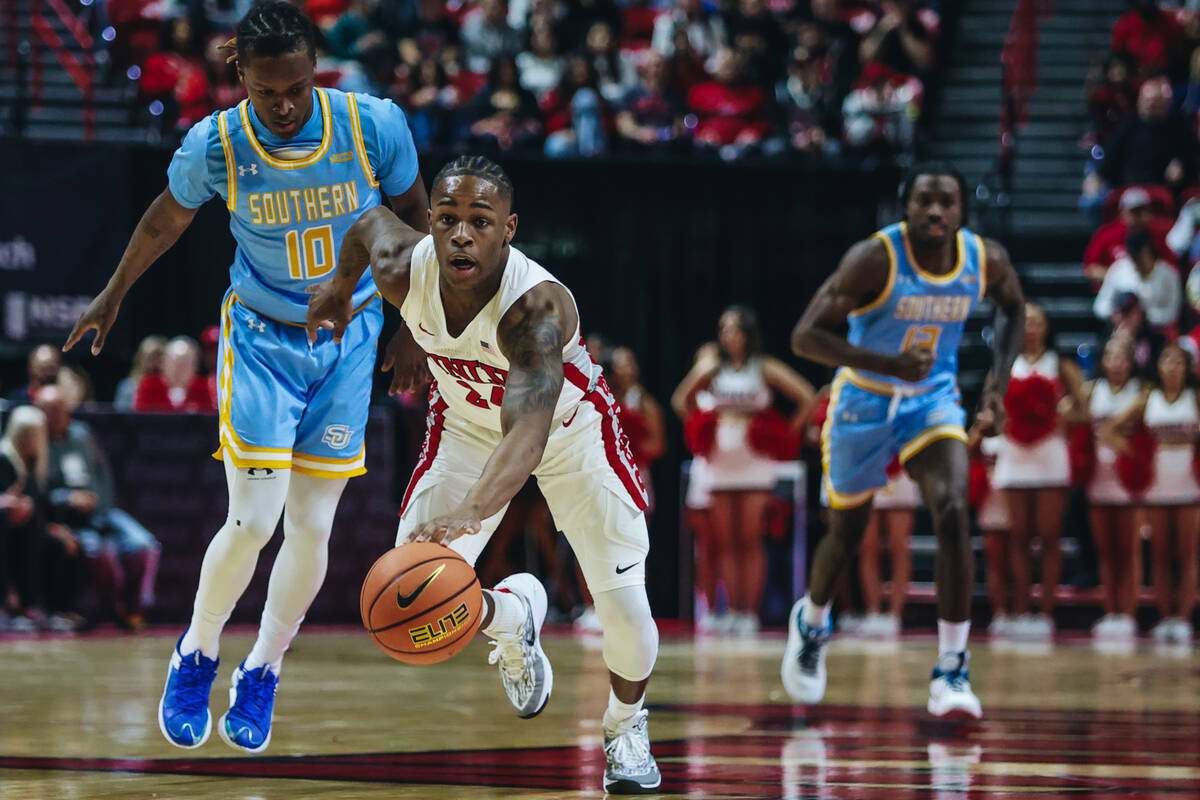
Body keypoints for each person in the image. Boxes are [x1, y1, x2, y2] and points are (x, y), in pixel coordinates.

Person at [62, 1, 430, 753]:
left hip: (351, 336)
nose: (287, 105)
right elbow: (167, 216)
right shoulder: (218, 143)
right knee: (254, 520)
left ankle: (262, 670)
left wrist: (413, 326)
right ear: (240, 78)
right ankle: (195, 653)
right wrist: (113, 292)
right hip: (261, 338)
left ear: (314, 69)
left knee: (313, 525)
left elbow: (416, 219)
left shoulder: (371, 126)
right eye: (269, 92)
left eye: (298, 86)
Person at [306, 156, 662, 794]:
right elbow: (365, 223)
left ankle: (625, 724)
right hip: (467, 425)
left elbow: (527, 433)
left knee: (626, 610)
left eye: (480, 221)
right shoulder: (399, 268)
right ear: (433, 226)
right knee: (411, 591)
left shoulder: (535, 308)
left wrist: (472, 509)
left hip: (568, 431)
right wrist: (339, 289)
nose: (461, 234)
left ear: (510, 228)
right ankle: (512, 617)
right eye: (447, 220)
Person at [781, 161, 1025, 720]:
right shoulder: (876, 258)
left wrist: (997, 387)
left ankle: (952, 667)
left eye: (947, 202)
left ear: (962, 211)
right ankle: (812, 621)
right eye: (924, 201)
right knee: (847, 534)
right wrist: (886, 362)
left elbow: (1013, 307)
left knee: (953, 509)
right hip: (863, 399)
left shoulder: (984, 259)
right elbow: (805, 336)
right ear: (905, 208)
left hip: (931, 400)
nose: (936, 211)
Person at [672, 306, 814, 635]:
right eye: (723, 328)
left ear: (747, 334)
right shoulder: (712, 367)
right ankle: (730, 610)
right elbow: (681, 399)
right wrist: (701, 428)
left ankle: (749, 612)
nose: (727, 335)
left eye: (734, 328)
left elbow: (806, 396)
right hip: (720, 456)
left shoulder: (763, 367)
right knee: (724, 540)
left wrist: (784, 435)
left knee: (750, 538)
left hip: (754, 457)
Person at [991, 303, 1086, 639]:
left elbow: (1085, 410)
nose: (1030, 328)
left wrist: (1057, 415)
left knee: (1048, 536)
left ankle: (1044, 612)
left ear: (1047, 327)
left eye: (1036, 322)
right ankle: (1018, 610)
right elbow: (990, 411)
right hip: (1015, 452)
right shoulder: (1003, 367)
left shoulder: (1060, 365)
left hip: (1049, 452)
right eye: (1025, 322)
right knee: (1017, 536)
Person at [36, 385, 161, 631]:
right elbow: (37, 490)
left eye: (62, 409)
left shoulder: (81, 434)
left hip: (102, 511)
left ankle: (135, 608)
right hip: (69, 519)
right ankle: (115, 607)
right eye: (51, 410)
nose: (60, 415)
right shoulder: (38, 442)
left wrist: (98, 504)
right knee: (98, 552)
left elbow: (102, 476)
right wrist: (66, 500)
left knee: (145, 544)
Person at [1102, 342, 1199, 646]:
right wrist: (1136, 457)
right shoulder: (1148, 398)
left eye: (1178, 362)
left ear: (1188, 368)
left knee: (1187, 554)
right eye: (1166, 361)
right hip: (1156, 485)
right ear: (1158, 366)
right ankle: (1164, 616)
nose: (1172, 368)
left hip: (1189, 484)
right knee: (1159, 554)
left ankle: (1183, 619)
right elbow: (1110, 429)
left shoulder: (1195, 397)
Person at [0, 406, 82, 633]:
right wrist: (10, 504)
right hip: (8, 529)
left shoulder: (32, 465)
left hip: (28, 528)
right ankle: (14, 606)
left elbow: (40, 502)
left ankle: (53, 610)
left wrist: (57, 528)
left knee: (61, 542)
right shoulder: (3, 458)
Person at [1082, 336, 1142, 642]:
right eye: (1110, 356)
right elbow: (1065, 411)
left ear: (1131, 362)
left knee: (1128, 551)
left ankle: (1128, 615)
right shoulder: (1093, 390)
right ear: (1102, 361)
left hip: (1132, 478)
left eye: (1122, 357)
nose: (1116, 363)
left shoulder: (1141, 393)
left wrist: (1114, 430)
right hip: (1100, 477)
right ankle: (1110, 612)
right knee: (1106, 551)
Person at [1094, 230, 1182, 335]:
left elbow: (1173, 312)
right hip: (1121, 331)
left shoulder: (1168, 274)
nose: (1135, 261)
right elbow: (1100, 306)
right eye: (1132, 257)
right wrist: (1117, 313)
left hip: (1155, 335)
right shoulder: (1119, 269)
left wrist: (1145, 316)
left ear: (1148, 251)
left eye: (1138, 256)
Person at [133, 336, 218, 413]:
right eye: (175, 362)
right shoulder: (148, 388)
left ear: (195, 366)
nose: (179, 368)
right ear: (164, 363)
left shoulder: (204, 390)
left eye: (185, 362)